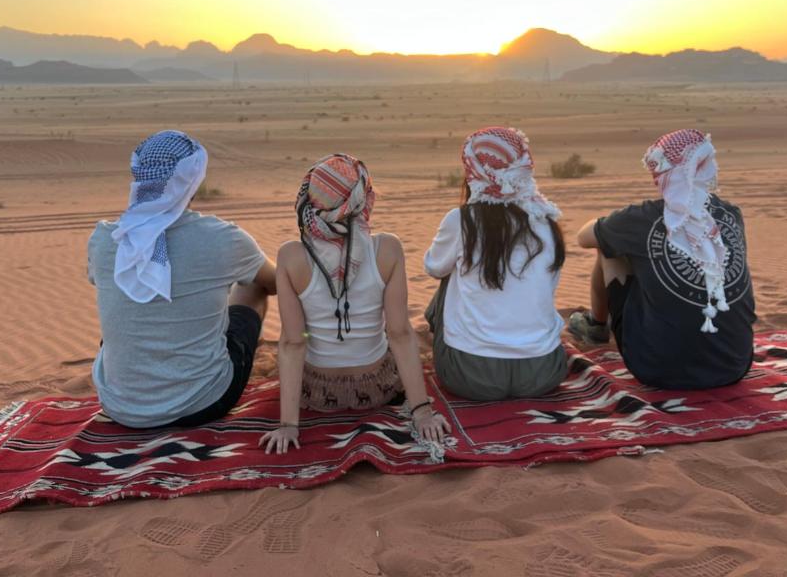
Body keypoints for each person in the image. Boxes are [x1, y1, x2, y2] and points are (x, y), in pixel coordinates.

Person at [259, 153, 449, 454]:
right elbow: (399, 333)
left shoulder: (290, 256)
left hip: (316, 392)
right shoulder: (387, 249)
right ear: (362, 198)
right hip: (377, 388)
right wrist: (421, 410)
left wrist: (288, 425)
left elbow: (293, 342)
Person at [87, 130, 276, 429]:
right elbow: (275, 282)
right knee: (252, 284)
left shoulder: (105, 238)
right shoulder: (222, 238)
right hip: (203, 403)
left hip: (119, 408)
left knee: (132, 304)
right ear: (193, 180)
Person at [571, 129, 756, 389]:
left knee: (608, 244)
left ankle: (597, 326)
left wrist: (612, 225)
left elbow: (583, 237)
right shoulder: (731, 215)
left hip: (657, 369)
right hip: (734, 365)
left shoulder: (641, 218)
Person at [423, 126, 568, 401]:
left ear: (473, 169)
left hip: (470, 376)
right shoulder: (546, 221)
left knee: (449, 272)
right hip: (543, 373)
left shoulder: (462, 220)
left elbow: (433, 268)